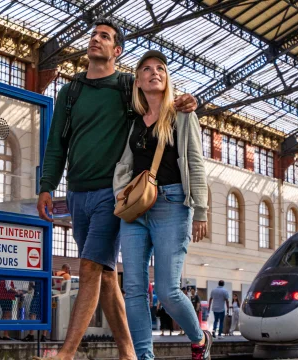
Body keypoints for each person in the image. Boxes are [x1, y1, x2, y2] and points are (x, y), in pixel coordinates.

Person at [36, 17, 196, 360]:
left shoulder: (127, 86)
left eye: (105, 37)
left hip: (113, 195)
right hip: (77, 193)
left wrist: (185, 103)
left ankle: (66, 352)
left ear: (116, 50)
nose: (96, 40)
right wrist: (47, 185)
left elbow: (160, 98)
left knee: (91, 267)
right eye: (93, 35)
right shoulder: (70, 91)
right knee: (106, 274)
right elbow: (56, 144)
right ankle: (128, 353)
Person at [113, 50, 212, 360]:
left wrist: (201, 210)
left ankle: (200, 339)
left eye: (160, 69)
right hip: (135, 211)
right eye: (147, 69)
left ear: (166, 79)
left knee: (168, 291)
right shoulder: (134, 123)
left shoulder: (182, 114)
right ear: (139, 80)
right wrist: (121, 190)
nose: (154, 73)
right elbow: (125, 164)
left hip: (172, 204)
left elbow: (195, 161)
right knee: (134, 291)